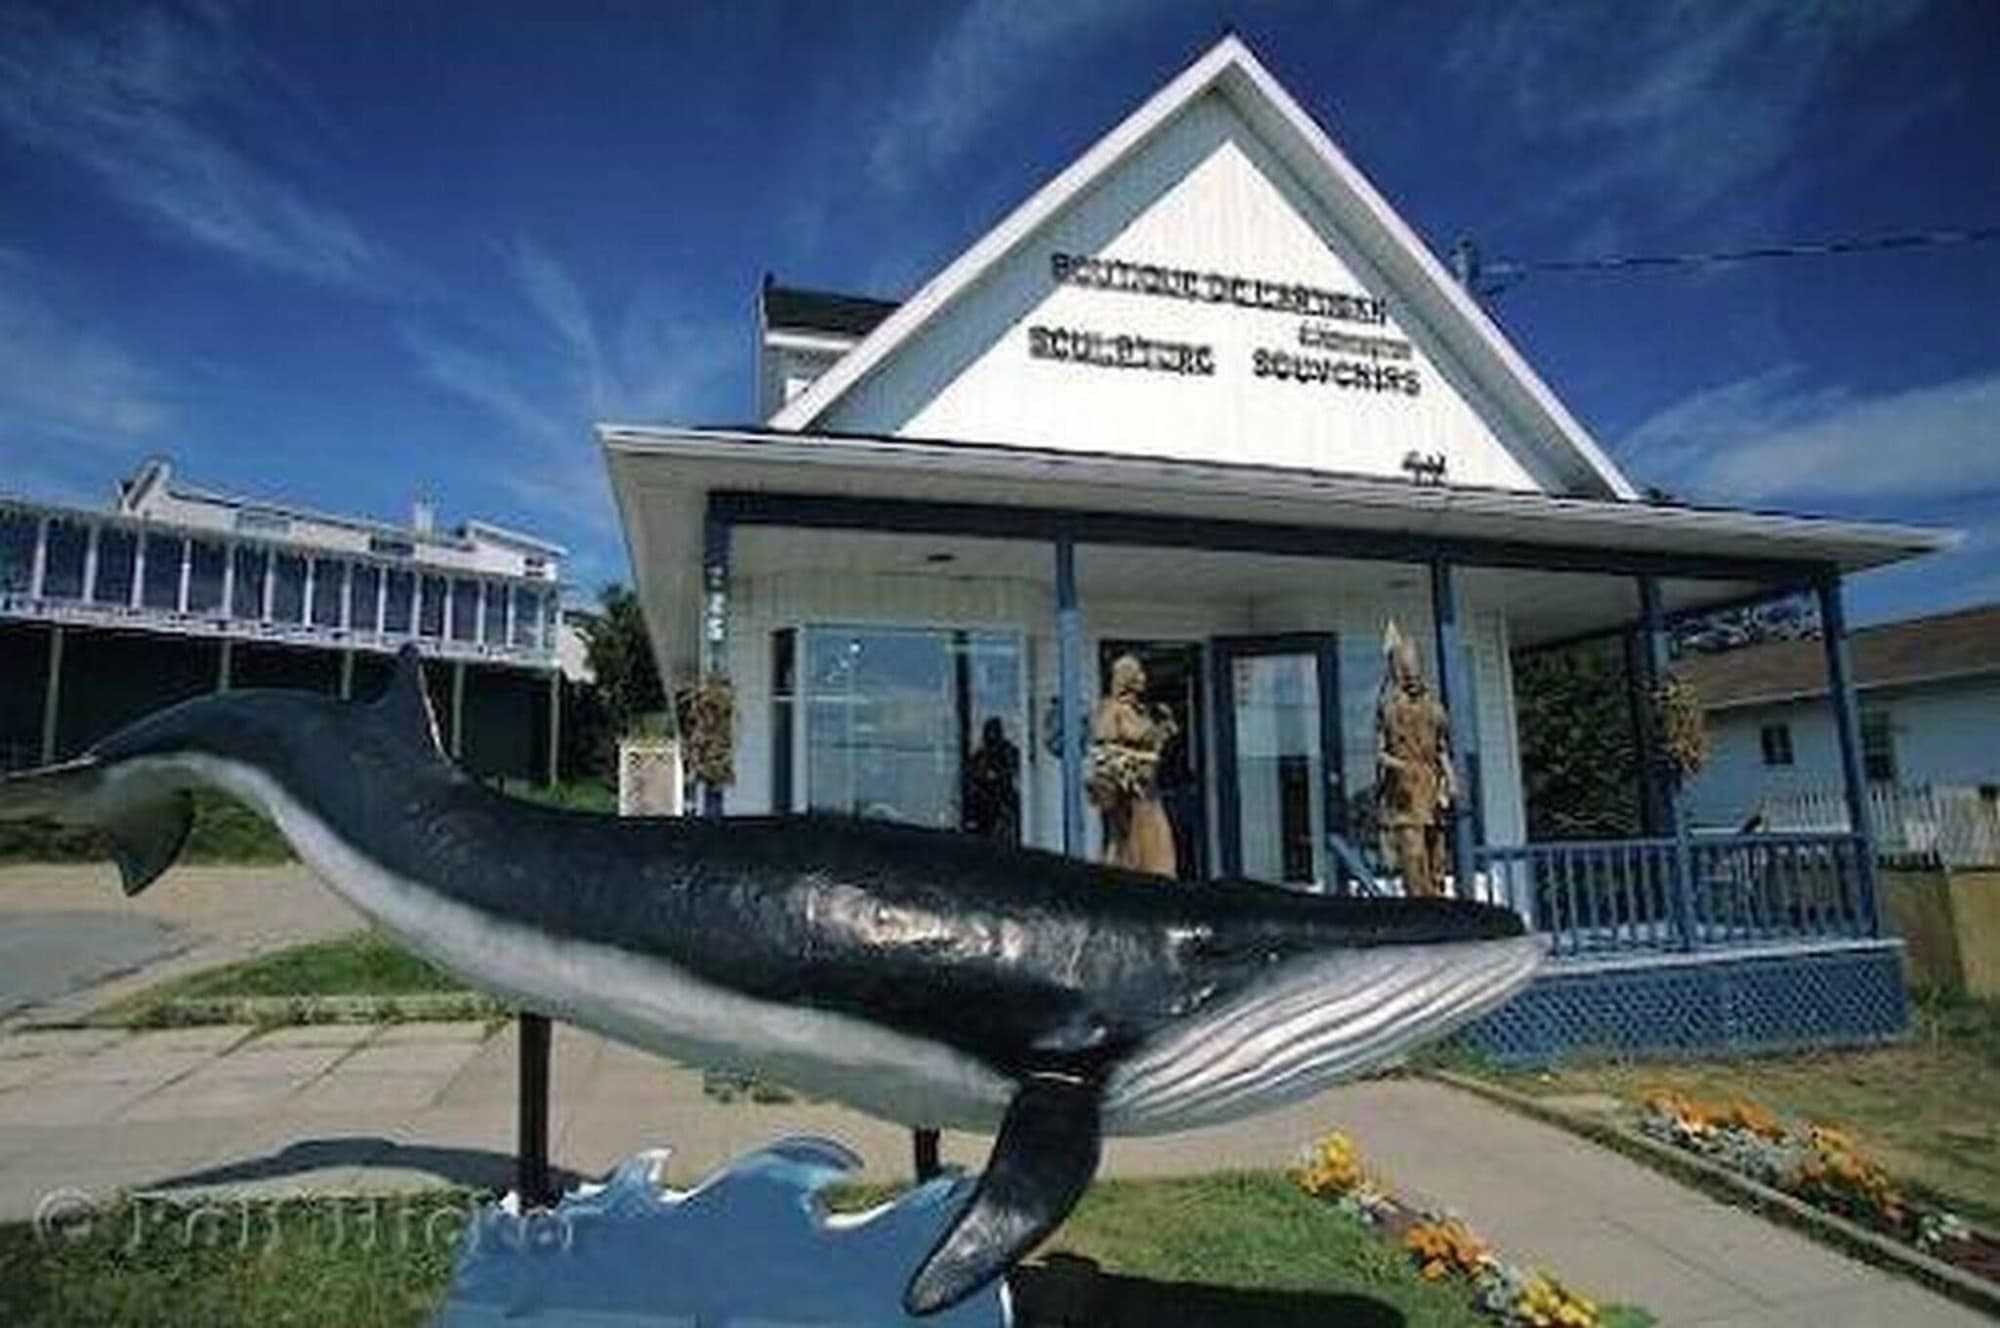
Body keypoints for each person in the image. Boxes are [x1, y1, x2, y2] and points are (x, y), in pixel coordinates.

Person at [1375, 622, 1456, 897]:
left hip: (1432, 791)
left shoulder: (1434, 709)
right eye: (1405, 673)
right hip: (1404, 796)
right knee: (1412, 853)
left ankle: (1438, 899)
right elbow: (1380, 753)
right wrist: (1401, 768)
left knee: (1437, 856)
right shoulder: (1388, 710)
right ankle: (1418, 902)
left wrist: (1451, 782)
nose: (1411, 679)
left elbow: (1442, 749)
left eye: (1415, 673)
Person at [1087, 654, 1178, 878]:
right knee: (1125, 844)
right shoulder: (1111, 709)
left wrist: (1162, 729)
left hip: (1148, 791)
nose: (1143, 678)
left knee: (1158, 841)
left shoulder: (1143, 710)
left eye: (1142, 673)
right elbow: (1104, 747)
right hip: (1126, 792)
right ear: (1124, 677)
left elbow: (1156, 741)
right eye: (1137, 673)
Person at [962, 716, 1021, 844]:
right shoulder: (980, 755)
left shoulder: (1008, 751)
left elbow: (1017, 769)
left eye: (995, 731)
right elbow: (971, 774)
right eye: (990, 731)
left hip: (1002, 799)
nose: (992, 735)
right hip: (984, 802)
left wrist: (1000, 775)